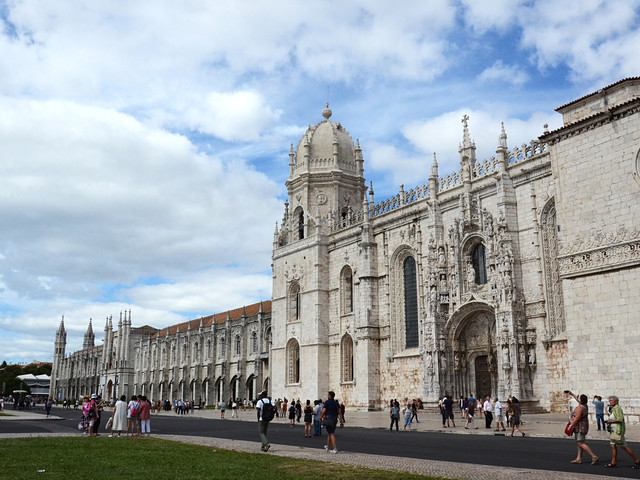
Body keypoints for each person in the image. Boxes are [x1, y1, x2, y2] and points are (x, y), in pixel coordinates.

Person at [605, 395, 640, 469]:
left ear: (616, 401)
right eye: (610, 401)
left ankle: (637, 461)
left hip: (617, 431)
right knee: (613, 446)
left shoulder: (617, 409)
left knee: (624, 446)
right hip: (613, 431)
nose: (610, 402)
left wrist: (610, 421)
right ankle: (613, 462)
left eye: (612, 401)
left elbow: (619, 419)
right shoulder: (614, 408)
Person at [566, 391, 597, 465]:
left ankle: (593, 456)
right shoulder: (584, 405)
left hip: (580, 426)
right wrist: (572, 394)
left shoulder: (580, 408)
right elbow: (578, 399)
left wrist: (571, 426)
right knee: (579, 442)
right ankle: (579, 458)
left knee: (580, 443)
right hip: (583, 425)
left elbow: (577, 418)